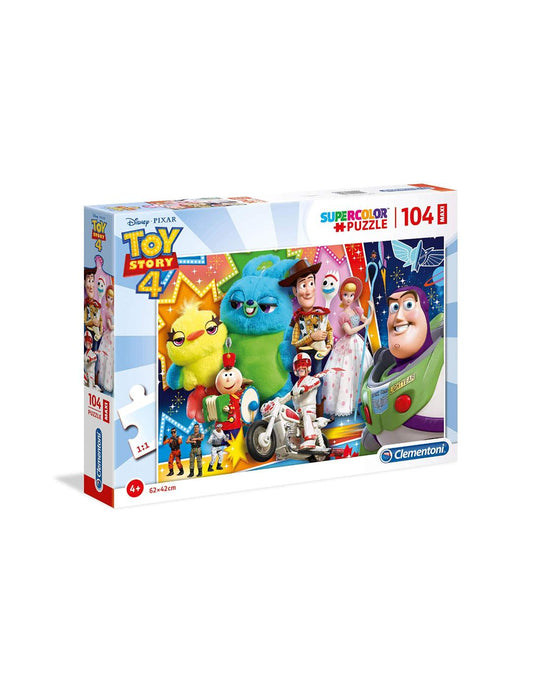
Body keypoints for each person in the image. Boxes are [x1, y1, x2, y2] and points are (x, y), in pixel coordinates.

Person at [360, 286, 444, 451]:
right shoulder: (380, 371)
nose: (398, 317)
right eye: (394, 308)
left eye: (408, 305)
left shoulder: (445, 357)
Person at [278, 258, 333, 415]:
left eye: (311, 283)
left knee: (319, 378)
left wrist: (328, 345)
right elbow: (295, 342)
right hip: (303, 358)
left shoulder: (321, 314)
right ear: (295, 291)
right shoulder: (298, 319)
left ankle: (318, 411)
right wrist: (311, 337)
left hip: (319, 355)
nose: (308, 291)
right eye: (303, 285)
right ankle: (304, 410)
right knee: (303, 383)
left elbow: (329, 330)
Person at [322, 277, 373, 416]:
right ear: (341, 296)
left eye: (351, 295)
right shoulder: (342, 315)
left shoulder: (356, 310)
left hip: (357, 344)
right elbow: (349, 331)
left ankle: (360, 401)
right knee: (347, 373)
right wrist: (363, 325)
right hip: (348, 344)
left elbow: (367, 320)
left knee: (360, 370)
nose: (349, 298)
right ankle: (345, 404)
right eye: (346, 295)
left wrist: (372, 309)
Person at [290, 352, 321, 449]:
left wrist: (305, 388)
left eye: (303, 365)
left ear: (308, 367)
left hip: (309, 410)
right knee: (290, 422)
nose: (300, 368)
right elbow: (289, 395)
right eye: (298, 366)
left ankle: (310, 439)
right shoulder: (295, 385)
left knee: (306, 416)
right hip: (298, 412)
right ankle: (293, 441)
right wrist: (279, 401)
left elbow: (316, 382)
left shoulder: (311, 379)